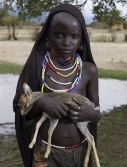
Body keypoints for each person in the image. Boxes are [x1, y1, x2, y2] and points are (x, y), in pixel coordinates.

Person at [13, 4, 102, 167]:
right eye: (59, 35)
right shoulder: (36, 66)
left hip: (80, 152)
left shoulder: (89, 70)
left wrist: (91, 114)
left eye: (74, 36)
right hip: (46, 155)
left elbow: (97, 112)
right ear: (48, 35)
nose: (67, 42)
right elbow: (21, 109)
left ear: (82, 39)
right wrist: (42, 102)